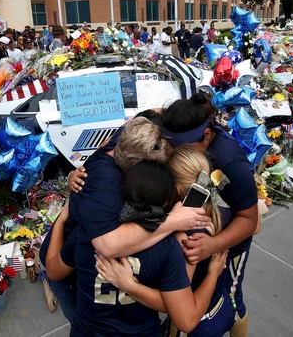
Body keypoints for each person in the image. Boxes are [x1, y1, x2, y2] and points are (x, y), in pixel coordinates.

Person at [42, 116, 210, 324]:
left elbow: (147, 115)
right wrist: (173, 223)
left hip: (75, 281)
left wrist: (60, 217)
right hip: (70, 272)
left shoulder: (127, 142)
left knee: (79, 317)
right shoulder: (166, 245)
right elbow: (180, 312)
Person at [47, 160, 227, 336]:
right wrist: (212, 274)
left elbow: (53, 272)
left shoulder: (91, 233)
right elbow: (183, 314)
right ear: (167, 202)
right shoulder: (171, 247)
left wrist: (61, 220)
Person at [97, 147, 235, 337]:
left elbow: (178, 309)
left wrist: (129, 285)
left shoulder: (185, 238)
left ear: (174, 191)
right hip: (222, 305)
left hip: (198, 326)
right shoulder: (220, 205)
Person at [161, 93, 259, 337]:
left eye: (181, 149)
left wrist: (214, 245)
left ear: (206, 137)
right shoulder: (183, 134)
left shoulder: (230, 160)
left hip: (228, 244)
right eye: (170, 146)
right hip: (200, 236)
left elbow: (250, 220)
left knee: (231, 297)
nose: (174, 154)